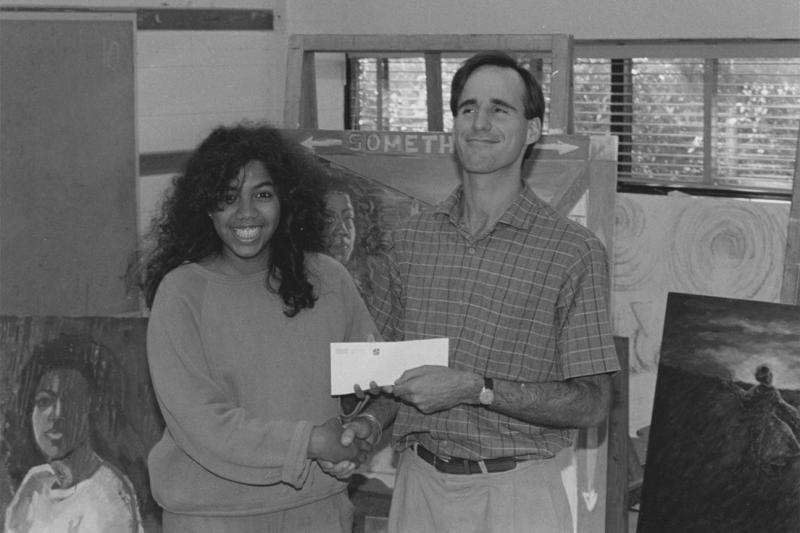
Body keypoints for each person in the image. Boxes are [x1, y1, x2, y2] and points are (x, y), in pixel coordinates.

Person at [343, 51, 620, 533]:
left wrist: (480, 390)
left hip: (518, 496)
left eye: (500, 109)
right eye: (467, 108)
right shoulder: (410, 241)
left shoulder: (573, 251)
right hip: (418, 489)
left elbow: (593, 402)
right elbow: (388, 377)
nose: (480, 122)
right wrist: (368, 425)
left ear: (532, 131)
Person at [137, 123, 378, 532]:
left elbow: (377, 383)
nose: (246, 213)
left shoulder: (330, 279)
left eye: (262, 195)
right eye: (228, 198)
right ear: (206, 207)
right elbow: (205, 424)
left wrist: (365, 425)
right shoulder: (181, 294)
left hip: (318, 512)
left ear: (286, 199)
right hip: (213, 519)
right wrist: (311, 441)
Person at [3, 333, 143, 533]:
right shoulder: (35, 483)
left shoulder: (108, 494)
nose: (57, 415)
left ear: (91, 411)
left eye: (71, 401)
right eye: (44, 401)